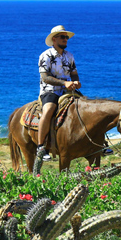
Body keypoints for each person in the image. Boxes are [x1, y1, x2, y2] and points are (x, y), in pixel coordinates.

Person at [37, 25, 81, 161]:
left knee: (88, 107)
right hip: (49, 90)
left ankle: (100, 144)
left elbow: (74, 74)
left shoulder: (70, 56)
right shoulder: (45, 56)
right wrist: (64, 83)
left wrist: (76, 82)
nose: (66, 39)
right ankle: (41, 146)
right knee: (49, 109)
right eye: (63, 37)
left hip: (68, 90)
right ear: (54, 39)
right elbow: (45, 78)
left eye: (66, 37)